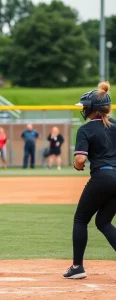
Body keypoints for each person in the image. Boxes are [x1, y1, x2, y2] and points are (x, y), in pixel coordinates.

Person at [63, 81, 116, 279]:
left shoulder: (85, 130)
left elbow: (80, 159)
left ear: (91, 109)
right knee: (103, 221)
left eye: (85, 107)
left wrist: (77, 166)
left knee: (80, 219)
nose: (83, 110)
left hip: (102, 176)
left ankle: (77, 267)